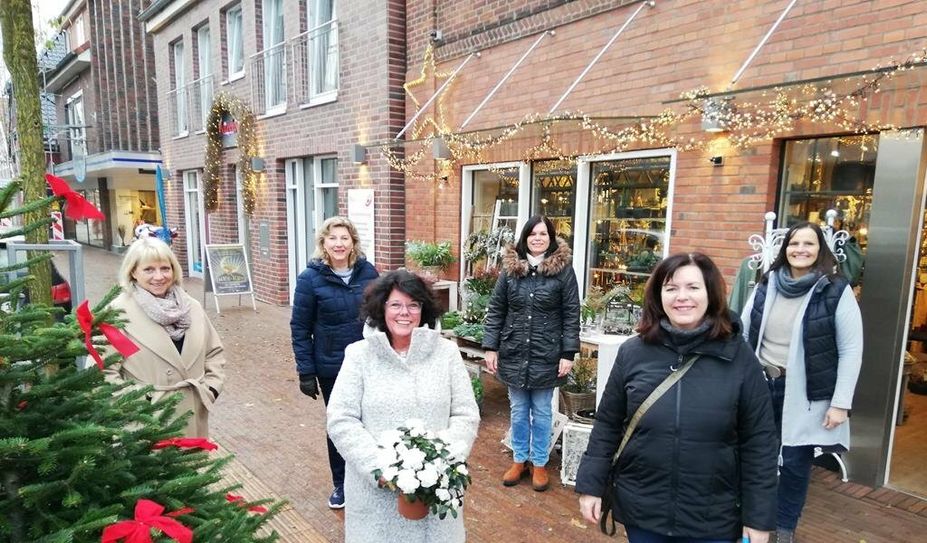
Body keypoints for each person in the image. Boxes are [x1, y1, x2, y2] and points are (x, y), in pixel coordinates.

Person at [576, 253, 778, 543]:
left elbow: (759, 443)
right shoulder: (633, 353)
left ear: (711, 293)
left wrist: (758, 519)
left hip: (712, 517)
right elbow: (607, 424)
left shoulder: (738, 358)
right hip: (644, 511)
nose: (682, 297)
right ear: (659, 297)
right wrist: (591, 486)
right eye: (671, 288)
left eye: (693, 287)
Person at [326, 270, 480, 543]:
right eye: (395, 304)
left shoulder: (446, 354)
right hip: (375, 502)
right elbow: (341, 419)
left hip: (434, 496)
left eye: (413, 305)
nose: (404, 313)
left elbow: (465, 414)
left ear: (424, 310)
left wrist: (442, 461)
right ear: (382, 308)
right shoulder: (359, 356)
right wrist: (381, 468)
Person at [741, 222, 863, 543]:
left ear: (820, 250)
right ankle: (751, 522)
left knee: (794, 463)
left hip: (804, 393)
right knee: (755, 457)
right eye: (795, 243)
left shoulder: (835, 289)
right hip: (761, 384)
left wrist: (840, 403)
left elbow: (851, 350)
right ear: (786, 249)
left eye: (809, 244)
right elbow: (742, 332)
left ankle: (784, 529)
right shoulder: (768, 283)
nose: (800, 249)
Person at [481, 215, 580, 491]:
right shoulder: (511, 271)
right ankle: (519, 459)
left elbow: (572, 313)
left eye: (543, 234)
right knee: (519, 409)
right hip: (513, 350)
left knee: (542, 410)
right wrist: (491, 346)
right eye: (533, 234)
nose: (538, 238)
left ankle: (539, 463)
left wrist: (568, 352)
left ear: (551, 239)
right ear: (525, 238)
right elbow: (497, 309)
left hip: (547, 352)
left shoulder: (563, 272)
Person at [291, 216, 379, 509]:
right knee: (340, 426)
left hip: (369, 364)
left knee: (372, 422)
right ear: (323, 243)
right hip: (332, 367)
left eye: (344, 238)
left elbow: (381, 317)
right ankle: (341, 484)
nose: (339, 244)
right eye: (333, 238)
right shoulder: (309, 279)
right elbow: (300, 328)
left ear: (353, 242)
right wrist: (306, 371)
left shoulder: (369, 273)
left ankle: (370, 476)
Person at [104, 237, 225, 438]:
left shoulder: (191, 307)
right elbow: (104, 371)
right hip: (145, 421)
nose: (159, 276)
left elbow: (214, 352)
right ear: (133, 272)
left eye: (165, 268)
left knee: (191, 469)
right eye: (149, 269)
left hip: (192, 416)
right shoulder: (118, 314)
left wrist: (211, 388)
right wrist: (138, 403)